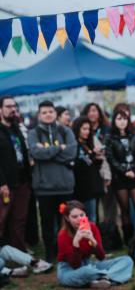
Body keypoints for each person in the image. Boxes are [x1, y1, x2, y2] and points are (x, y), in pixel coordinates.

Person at [28, 100, 78, 263]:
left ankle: (67, 252)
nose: (48, 114)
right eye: (44, 112)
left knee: (66, 223)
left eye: (50, 111)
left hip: (64, 187)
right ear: (39, 115)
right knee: (47, 224)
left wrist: (47, 151)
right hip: (44, 188)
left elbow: (71, 153)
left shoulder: (66, 131)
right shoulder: (33, 133)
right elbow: (36, 153)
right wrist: (58, 149)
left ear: (55, 113)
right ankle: (50, 253)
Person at [57, 200, 133, 288]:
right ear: (67, 218)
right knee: (87, 271)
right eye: (74, 217)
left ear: (86, 215)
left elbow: (101, 257)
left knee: (127, 260)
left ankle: (101, 279)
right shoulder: (63, 235)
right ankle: (109, 277)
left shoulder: (92, 227)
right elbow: (76, 265)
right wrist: (76, 243)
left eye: (82, 215)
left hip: (89, 264)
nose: (79, 219)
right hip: (69, 269)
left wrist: (93, 241)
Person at [105, 110, 135, 245]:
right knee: (125, 209)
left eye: (125, 119)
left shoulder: (134, 136)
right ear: (114, 121)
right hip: (120, 178)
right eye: (119, 119)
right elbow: (111, 158)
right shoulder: (110, 138)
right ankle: (128, 238)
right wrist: (124, 171)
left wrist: (134, 170)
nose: (122, 121)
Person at [0, 96, 31, 253]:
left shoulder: (17, 129)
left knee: (19, 219)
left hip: (22, 181)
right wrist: (2, 183)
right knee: (1, 219)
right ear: (0, 110)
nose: (13, 109)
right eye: (9, 106)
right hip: (6, 184)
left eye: (14, 106)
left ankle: (19, 253)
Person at [81, 103, 116, 225]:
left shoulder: (108, 129)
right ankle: (96, 231)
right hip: (90, 171)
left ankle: (110, 229)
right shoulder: (81, 133)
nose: (92, 113)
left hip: (107, 167)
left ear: (100, 114)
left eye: (94, 110)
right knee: (91, 207)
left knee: (108, 202)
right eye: (89, 111)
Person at [71, 116, 110, 223]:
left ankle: (93, 239)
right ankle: (87, 239)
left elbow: (93, 165)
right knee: (87, 219)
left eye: (89, 129)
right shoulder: (74, 145)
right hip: (82, 189)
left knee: (94, 217)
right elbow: (78, 165)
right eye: (84, 129)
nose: (87, 132)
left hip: (93, 187)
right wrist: (92, 154)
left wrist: (99, 159)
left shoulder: (87, 144)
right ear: (77, 128)